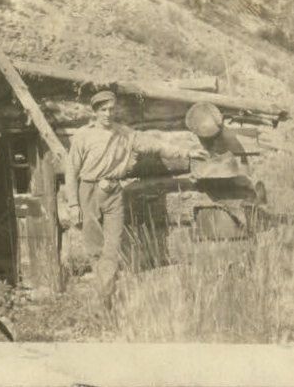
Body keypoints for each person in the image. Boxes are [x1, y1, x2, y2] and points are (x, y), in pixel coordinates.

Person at [64, 90, 208, 307]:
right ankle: (105, 296)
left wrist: (186, 152)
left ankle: (105, 299)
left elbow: (155, 145)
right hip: (89, 191)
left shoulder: (125, 134)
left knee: (113, 246)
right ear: (95, 112)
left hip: (114, 193)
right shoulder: (83, 136)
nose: (108, 114)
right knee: (94, 247)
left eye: (111, 109)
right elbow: (71, 171)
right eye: (103, 110)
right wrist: (74, 204)